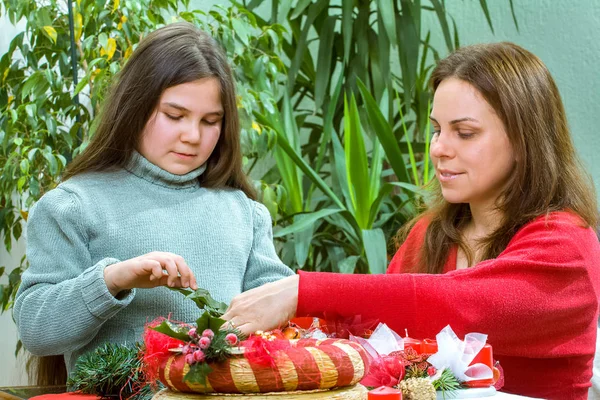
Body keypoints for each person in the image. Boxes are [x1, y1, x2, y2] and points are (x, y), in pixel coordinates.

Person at [222, 42, 600, 399]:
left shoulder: (568, 248)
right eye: (437, 129)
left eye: (464, 133)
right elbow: (375, 334)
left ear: (524, 140)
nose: (439, 149)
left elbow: (461, 306)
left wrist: (301, 292)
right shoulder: (428, 236)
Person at [14, 22, 293, 375]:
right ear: (135, 106)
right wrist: (114, 278)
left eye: (210, 121)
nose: (192, 135)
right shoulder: (72, 206)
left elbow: (282, 324)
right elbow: (36, 331)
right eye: (174, 116)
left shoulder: (244, 213)